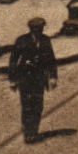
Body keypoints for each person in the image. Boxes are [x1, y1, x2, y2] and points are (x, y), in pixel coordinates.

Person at [8, 16, 59, 144]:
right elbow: (13, 60)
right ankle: (28, 133)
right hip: (25, 78)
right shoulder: (22, 40)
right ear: (31, 29)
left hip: (39, 79)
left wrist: (53, 77)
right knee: (27, 106)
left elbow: (51, 59)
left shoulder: (45, 40)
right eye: (36, 29)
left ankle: (34, 131)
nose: (39, 31)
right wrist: (13, 80)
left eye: (41, 28)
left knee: (38, 106)